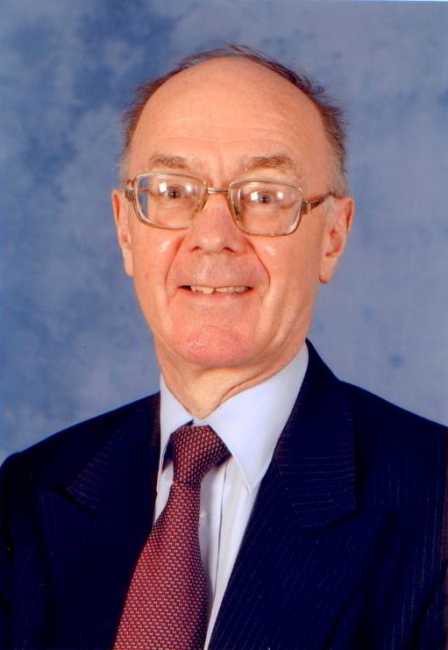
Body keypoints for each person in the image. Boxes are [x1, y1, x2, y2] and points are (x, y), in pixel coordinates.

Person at [0, 45, 446, 650]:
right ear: (126, 229)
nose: (213, 237)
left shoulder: (436, 503)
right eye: (173, 191)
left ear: (333, 237)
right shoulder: (28, 494)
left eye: (264, 196)